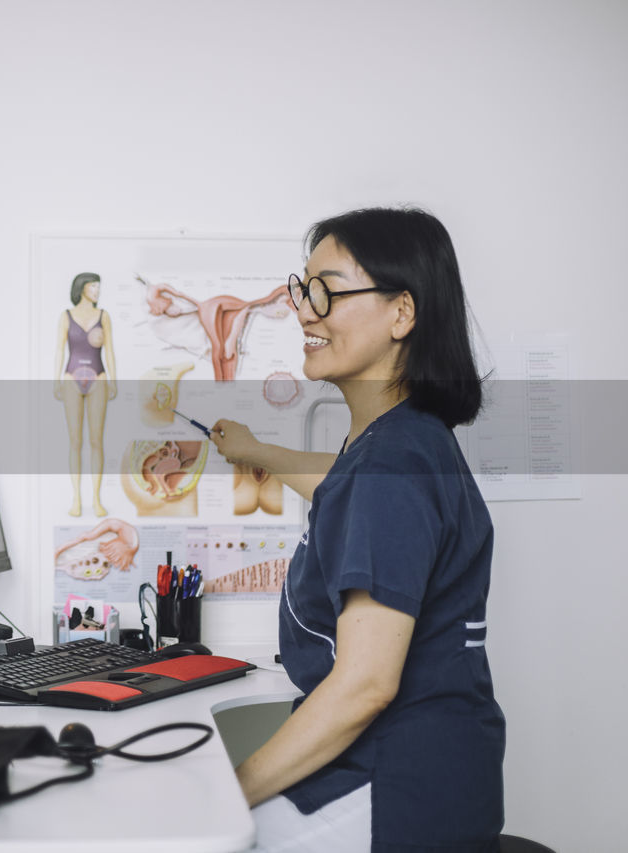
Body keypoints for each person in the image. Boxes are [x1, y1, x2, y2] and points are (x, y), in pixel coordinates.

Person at [209, 208, 505, 852]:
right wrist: (259, 452)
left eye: (328, 292)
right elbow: (340, 483)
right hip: (447, 775)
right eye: (303, 289)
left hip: (399, 792)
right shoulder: (407, 440)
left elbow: (366, 686)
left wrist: (224, 794)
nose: (306, 312)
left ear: (402, 314)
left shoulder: (391, 469)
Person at [53, 272, 118, 516]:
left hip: (98, 377)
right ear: (82, 288)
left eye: (98, 287)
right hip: (71, 378)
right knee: (75, 441)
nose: (97, 291)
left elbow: (109, 350)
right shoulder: (66, 317)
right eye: (93, 286)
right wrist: (56, 380)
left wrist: (113, 379)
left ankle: (96, 499)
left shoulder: (104, 316)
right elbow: (59, 350)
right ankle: (77, 499)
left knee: (96, 441)